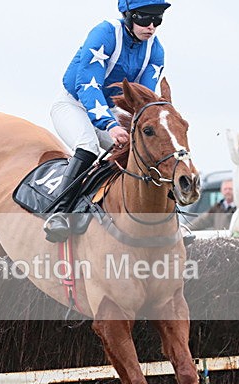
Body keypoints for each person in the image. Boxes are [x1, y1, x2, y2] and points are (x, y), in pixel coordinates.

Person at [46, 0, 170, 242]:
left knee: (142, 153)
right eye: (145, 18)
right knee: (88, 146)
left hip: (109, 110)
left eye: (158, 20)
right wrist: (110, 125)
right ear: (128, 16)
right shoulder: (104, 33)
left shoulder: (155, 51)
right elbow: (87, 85)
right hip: (73, 104)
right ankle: (58, 213)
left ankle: (168, 217)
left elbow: (142, 101)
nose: (152, 26)